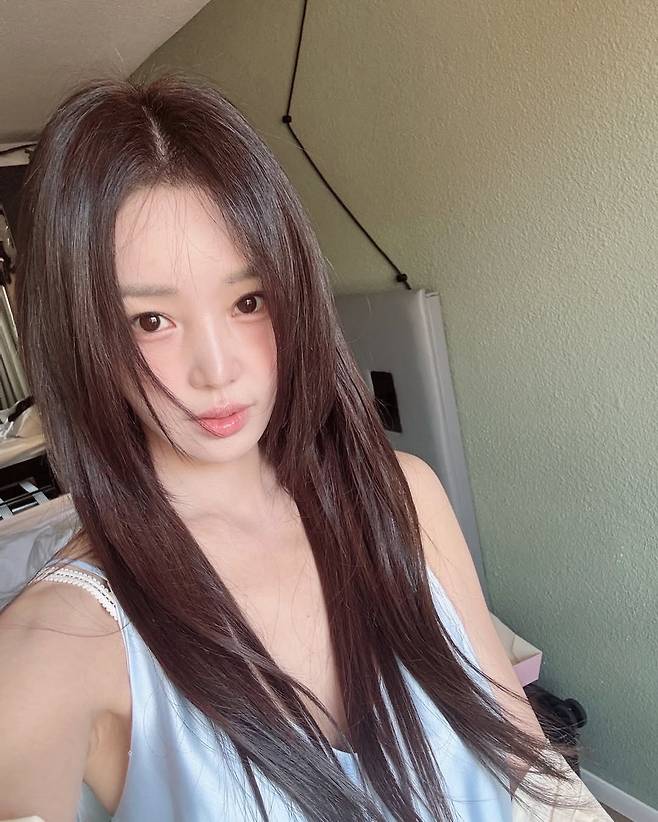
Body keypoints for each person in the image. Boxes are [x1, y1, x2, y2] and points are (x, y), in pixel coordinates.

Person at [0, 73, 592, 822]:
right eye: (151, 321)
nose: (217, 370)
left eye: (248, 302)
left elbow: (528, 767)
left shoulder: (404, 495)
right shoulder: (56, 645)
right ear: (83, 337)